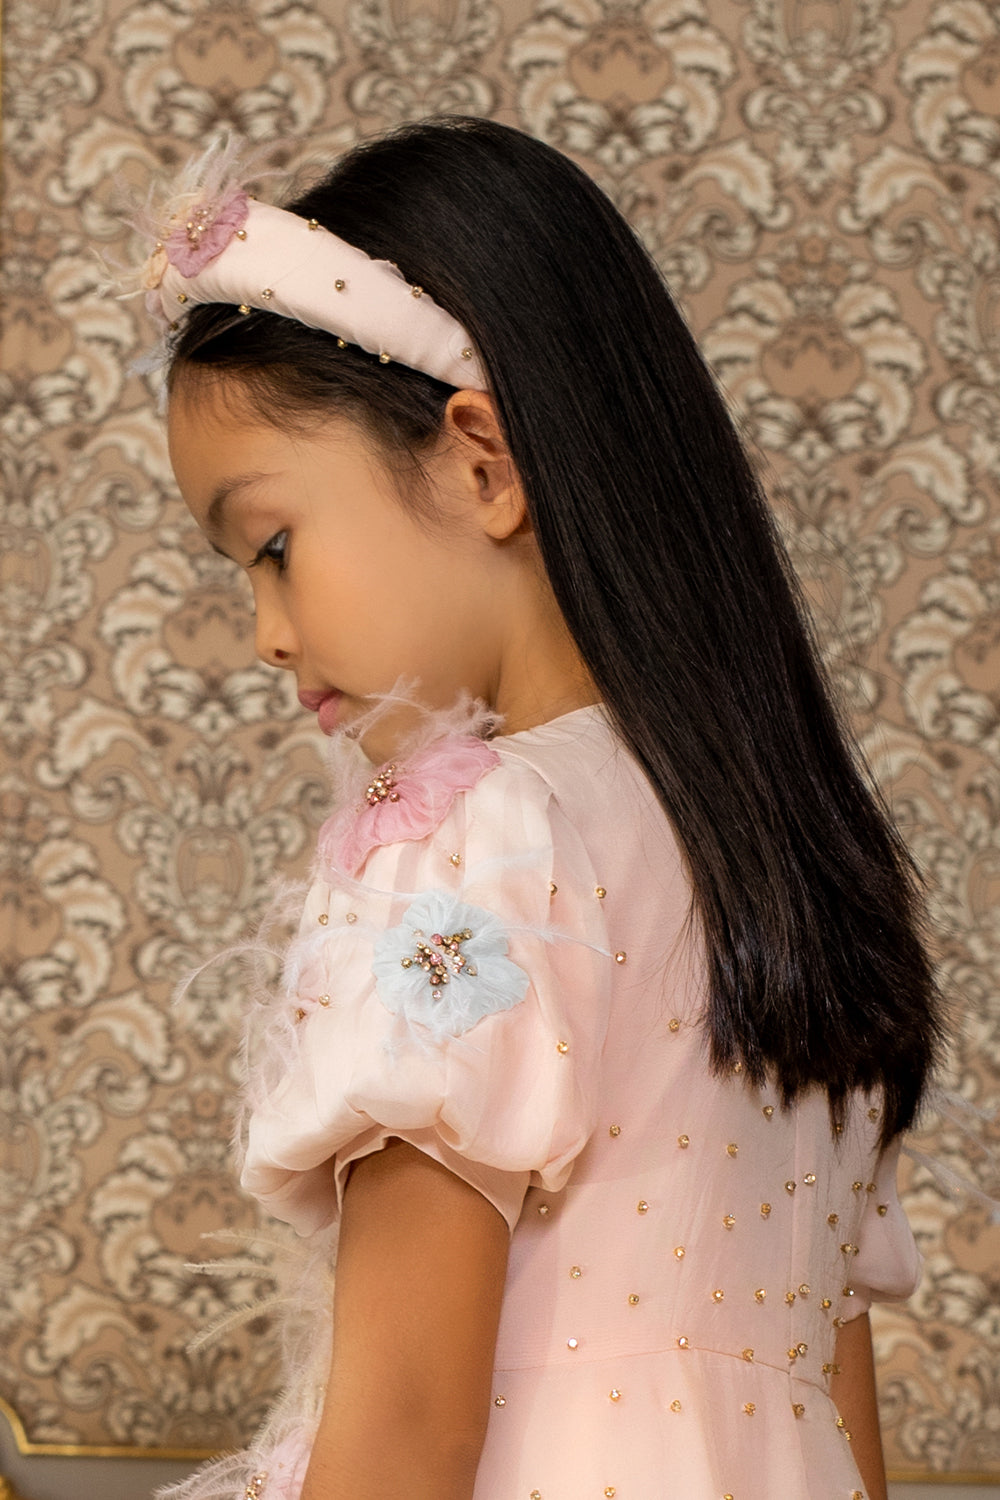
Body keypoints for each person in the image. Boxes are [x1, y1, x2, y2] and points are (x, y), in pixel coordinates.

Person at [138, 117, 943, 1500]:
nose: (267, 633)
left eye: (271, 545)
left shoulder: (474, 842)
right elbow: (838, 1412)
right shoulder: (795, 871)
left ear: (481, 462)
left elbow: (408, 1422)